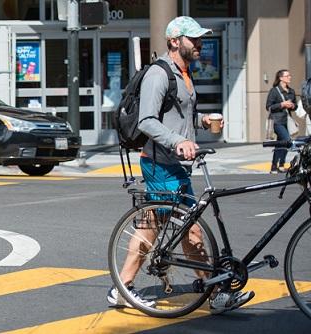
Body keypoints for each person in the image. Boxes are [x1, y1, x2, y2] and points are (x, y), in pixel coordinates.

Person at [107, 16, 254, 314]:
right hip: (160, 163)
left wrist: (203, 120)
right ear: (175, 41)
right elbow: (147, 121)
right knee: (179, 230)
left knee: (172, 228)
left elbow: (178, 116)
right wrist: (178, 141)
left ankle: (207, 293)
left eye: (200, 39)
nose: (199, 43)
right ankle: (127, 288)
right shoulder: (159, 74)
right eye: (194, 39)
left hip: (176, 163)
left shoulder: (184, 73)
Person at [266, 69, 297, 173]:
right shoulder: (274, 91)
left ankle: (275, 167)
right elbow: (269, 107)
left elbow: (295, 106)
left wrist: (292, 105)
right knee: (287, 141)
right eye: (287, 76)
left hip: (287, 121)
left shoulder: (291, 91)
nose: (290, 77)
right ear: (281, 78)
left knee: (280, 144)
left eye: (290, 75)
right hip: (277, 121)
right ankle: (280, 165)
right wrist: (282, 105)